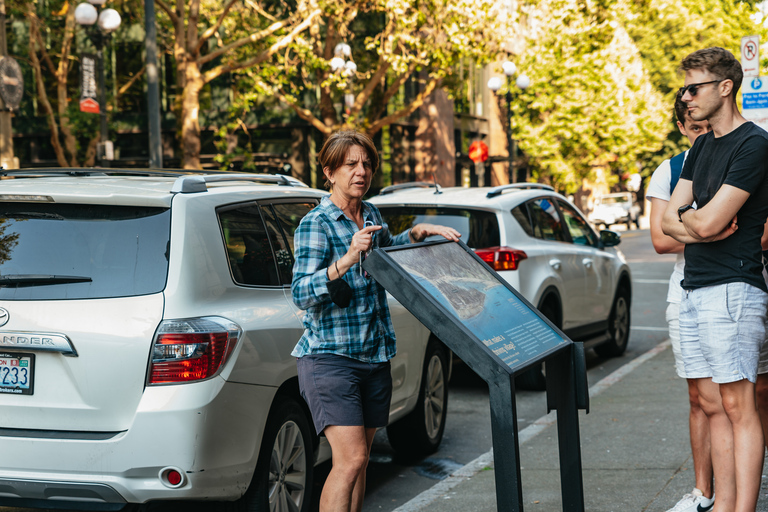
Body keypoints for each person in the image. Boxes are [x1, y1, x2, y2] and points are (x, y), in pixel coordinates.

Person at [291, 130, 460, 512]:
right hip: (330, 359)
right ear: (329, 171)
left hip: (373, 355)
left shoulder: (371, 214)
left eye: (366, 164)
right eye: (351, 164)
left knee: (362, 460)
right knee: (348, 460)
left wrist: (416, 232)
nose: (361, 171)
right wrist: (346, 260)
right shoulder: (316, 224)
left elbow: (384, 256)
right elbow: (300, 292)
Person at [661, 47, 768, 512]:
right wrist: (697, 221)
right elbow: (669, 222)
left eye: (694, 87)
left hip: (733, 288)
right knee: (713, 405)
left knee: (740, 407)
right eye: (685, 88)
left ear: (725, 87)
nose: (686, 97)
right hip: (694, 288)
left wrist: (696, 222)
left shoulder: (755, 144)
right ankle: (723, 506)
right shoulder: (701, 145)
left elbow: (700, 225)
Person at [647, 92, 714, 512]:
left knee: (754, 394)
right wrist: (713, 227)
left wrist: (685, 225)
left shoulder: (739, 161)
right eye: (694, 130)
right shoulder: (669, 171)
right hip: (685, 290)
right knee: (699, 397)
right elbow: (658, 238)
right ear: (681, 129)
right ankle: (703, 491)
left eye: (707, 128)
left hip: (741, 285)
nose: (702, 136)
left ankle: (743, 480)